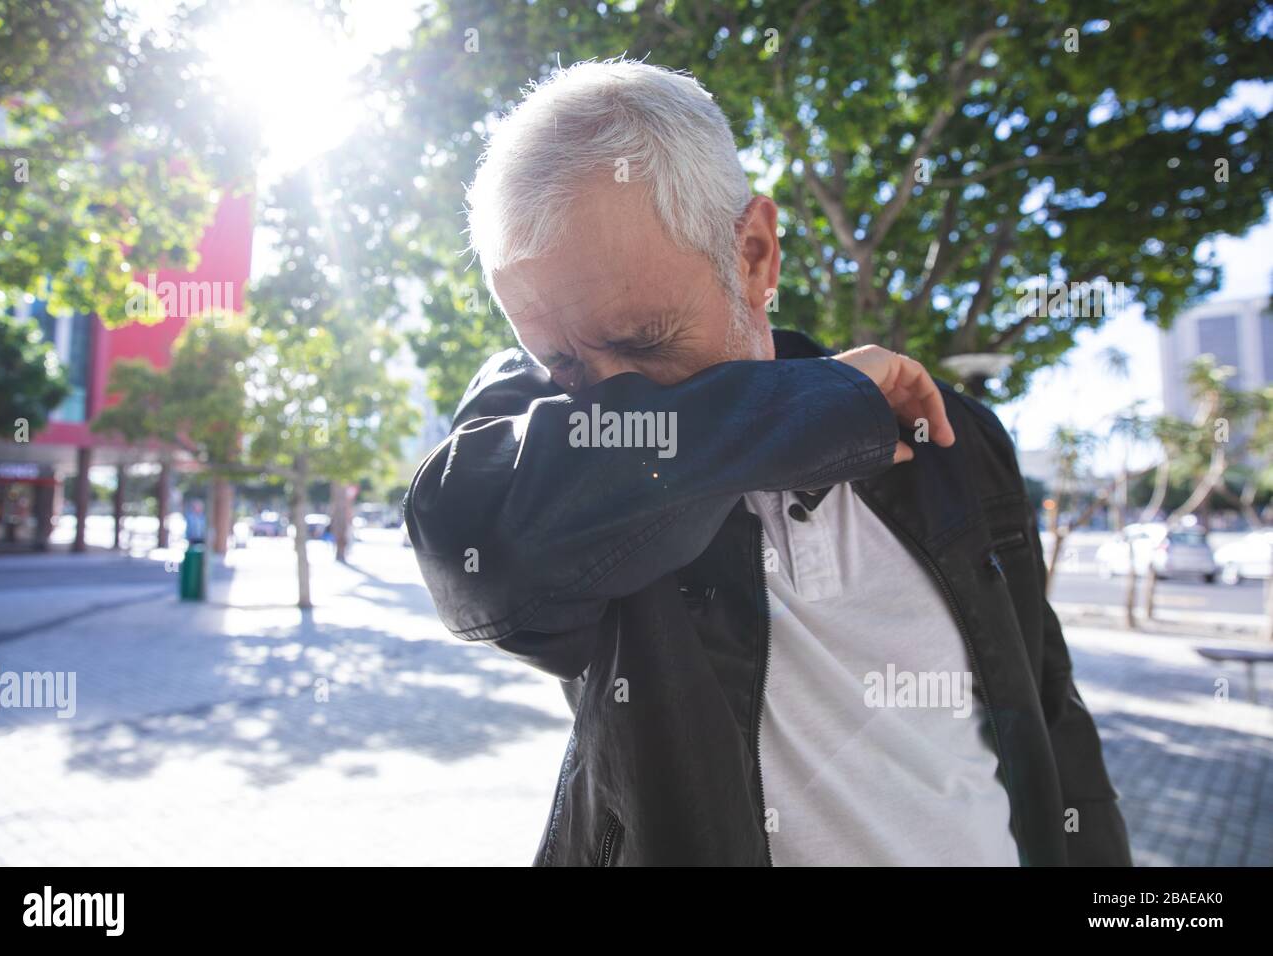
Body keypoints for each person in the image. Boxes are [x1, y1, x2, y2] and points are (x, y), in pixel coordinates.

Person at [405, 60, 1130, 867]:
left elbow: (1050, 716)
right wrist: (814, 413)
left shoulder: (949, 439)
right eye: (566, 366)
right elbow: (480, 551)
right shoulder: (532, 427)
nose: (611, 408)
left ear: (753, 253)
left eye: (645, 345)